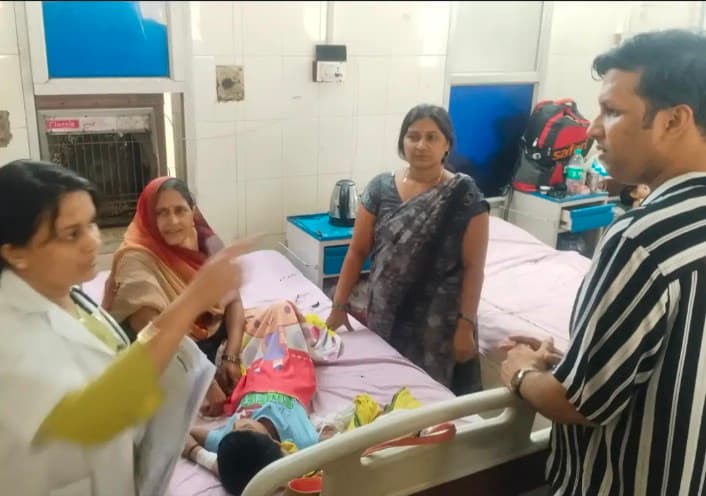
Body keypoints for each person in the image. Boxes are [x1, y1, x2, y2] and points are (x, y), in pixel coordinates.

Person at [500, 30, 706, 495]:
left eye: (612, 111)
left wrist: (521, 371)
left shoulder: (640, 239)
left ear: (674, 120)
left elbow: (579, 403)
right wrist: (573, 360)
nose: (592, 129)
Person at [0, 160, 249, 495]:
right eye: (72, 234)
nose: (93, 241)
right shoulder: (9, 337)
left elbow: (118, 362)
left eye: (91, 224)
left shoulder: (68, 295)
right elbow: (96, 415)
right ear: (16, 253)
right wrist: (193, 300)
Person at [325, 104, 489, 394]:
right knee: (385, 390)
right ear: (402, 142)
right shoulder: (380, 188)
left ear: (447, 145)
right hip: (385, 314)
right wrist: (338, 306)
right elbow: (357, 251)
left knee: (431, 398)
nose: (421, 145)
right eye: (413, 136)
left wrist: (465, 326)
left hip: (439, 323)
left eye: (431, 137)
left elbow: (474, 267)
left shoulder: (464, 195)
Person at [102, 177, 246, 415]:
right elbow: (154, 333)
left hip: (212, 340)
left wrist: (232, 356)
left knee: (281, 318)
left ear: (193, 212)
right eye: (162, 213)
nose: (173, 221)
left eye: (180, 210)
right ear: (148, 216)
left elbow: (234, 298)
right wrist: (206, 382)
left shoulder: (204, 239)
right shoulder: (135, 258)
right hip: (170, 357)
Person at [182, 300, 341, 495]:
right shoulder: (301, 440)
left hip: (255, 378)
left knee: (256, 328)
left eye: (233, 428)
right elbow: (335, 445)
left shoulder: (231, 445)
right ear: (276, 444)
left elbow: (183, 434)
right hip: (290, 377)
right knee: (282, 308)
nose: (237, 424)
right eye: (246, 427)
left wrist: (208, 460)